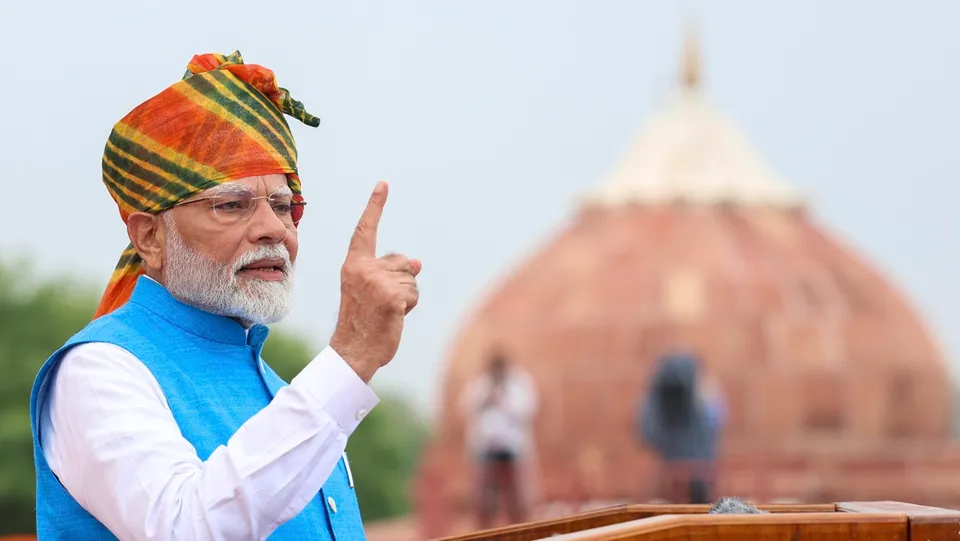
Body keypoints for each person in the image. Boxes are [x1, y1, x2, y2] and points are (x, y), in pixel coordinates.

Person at [28, 51, 420, 540]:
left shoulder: (278, 388)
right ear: (149, 236)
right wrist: (351, 356)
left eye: (283, 205)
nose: (272, 229)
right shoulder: (99, 371)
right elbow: (188, 529)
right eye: (232, 205)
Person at [460, 353, 538, 528]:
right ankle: (485, 531)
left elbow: (527, 409)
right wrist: (488, 396)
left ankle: (521, 529)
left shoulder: (519, 383)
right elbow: (465, 407)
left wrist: (502, 398)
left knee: (517, 496)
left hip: (513, 447)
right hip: (485, 448)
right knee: (484, 498)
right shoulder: (480, 384)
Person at [636, 352, 718, 504]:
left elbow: (647, 431)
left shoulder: (700, 395)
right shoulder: (699, 393)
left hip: (692, 472)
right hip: (684, 471)